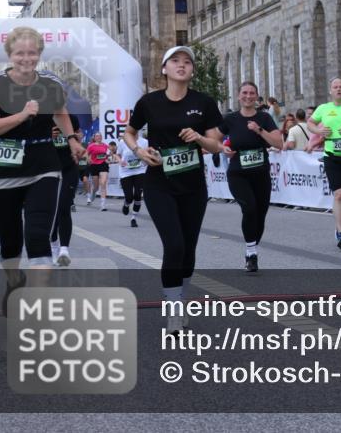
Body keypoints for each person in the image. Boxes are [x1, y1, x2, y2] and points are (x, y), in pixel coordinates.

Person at [0, 26, 85, 303]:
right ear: (9, 55)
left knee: (38, 234)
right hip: (2, 170)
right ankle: (14, 282)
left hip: (43, 166)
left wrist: (72, 139)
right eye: (19, 54)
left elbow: (60, 112)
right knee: (10, 241)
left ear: (39, 53)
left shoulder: (50, 82)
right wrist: (22, 114)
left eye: (31, 53)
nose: (26, 59)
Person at [124, 45, 223, 333]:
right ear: (164, 69)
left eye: (187, 62)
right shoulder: (149, 102)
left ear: (192, 70)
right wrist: (139, 151)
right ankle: (174, 310)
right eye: (175, 61)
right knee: (174, 244)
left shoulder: (204, 103)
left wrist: (199, 138)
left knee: (188, 249)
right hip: (158, 184)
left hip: (193, 185)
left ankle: (181, 296)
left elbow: (216, 144)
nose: (182, 65)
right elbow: (129, 132)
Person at [218, 82, 283, 272]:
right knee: (249, 208)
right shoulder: (230, 119)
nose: (248, 96)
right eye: (244, 93)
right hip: (238, 173)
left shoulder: (264, 118)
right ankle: (251, 252)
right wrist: (224, 149)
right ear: (238, 96)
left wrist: (259, 130)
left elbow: (279, 143)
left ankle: (252, 249)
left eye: (252, 93)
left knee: (260, 214)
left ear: (256, 97)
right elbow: (213, 139)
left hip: (260, 173)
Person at [309, 78, 341, 247]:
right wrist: (319, 130)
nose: (338, 89)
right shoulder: (324, 108)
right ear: (330, 91)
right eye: (335, 87)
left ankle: (340, 227)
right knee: (338, 194)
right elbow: (310, 123)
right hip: (331, 156)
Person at [50, 113, 82, 266]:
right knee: (52, 210)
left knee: (64, 206)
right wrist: (48, 136)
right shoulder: (41, 118)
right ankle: (54, 244)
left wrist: (76, 137)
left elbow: (79, 135)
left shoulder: (72, 118)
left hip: (69, 168)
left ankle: (64, 249)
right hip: (48, 169)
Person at [116, 128, 148, 228]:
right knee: (129, 197)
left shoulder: (144, 142)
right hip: (126, 172)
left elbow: (147, 154)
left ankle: (133, 218)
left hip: (140, 170)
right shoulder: (122, 142)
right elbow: (117, 154)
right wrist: (120, 161)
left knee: (138, 195)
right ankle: (126, 204)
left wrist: (146, 159)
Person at [85, 133, 109, 210]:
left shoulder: (105, 145)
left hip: (103, 165)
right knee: (96, 186)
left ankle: (103, 205)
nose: (99, 137)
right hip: (94, 165)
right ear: (94, 138)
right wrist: (88, 159)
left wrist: (109, 158)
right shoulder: (91, 146)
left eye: (100, 136)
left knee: (103, 183)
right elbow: (86, 154)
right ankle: (93, 192)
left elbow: (109, 154)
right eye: (97, 136)